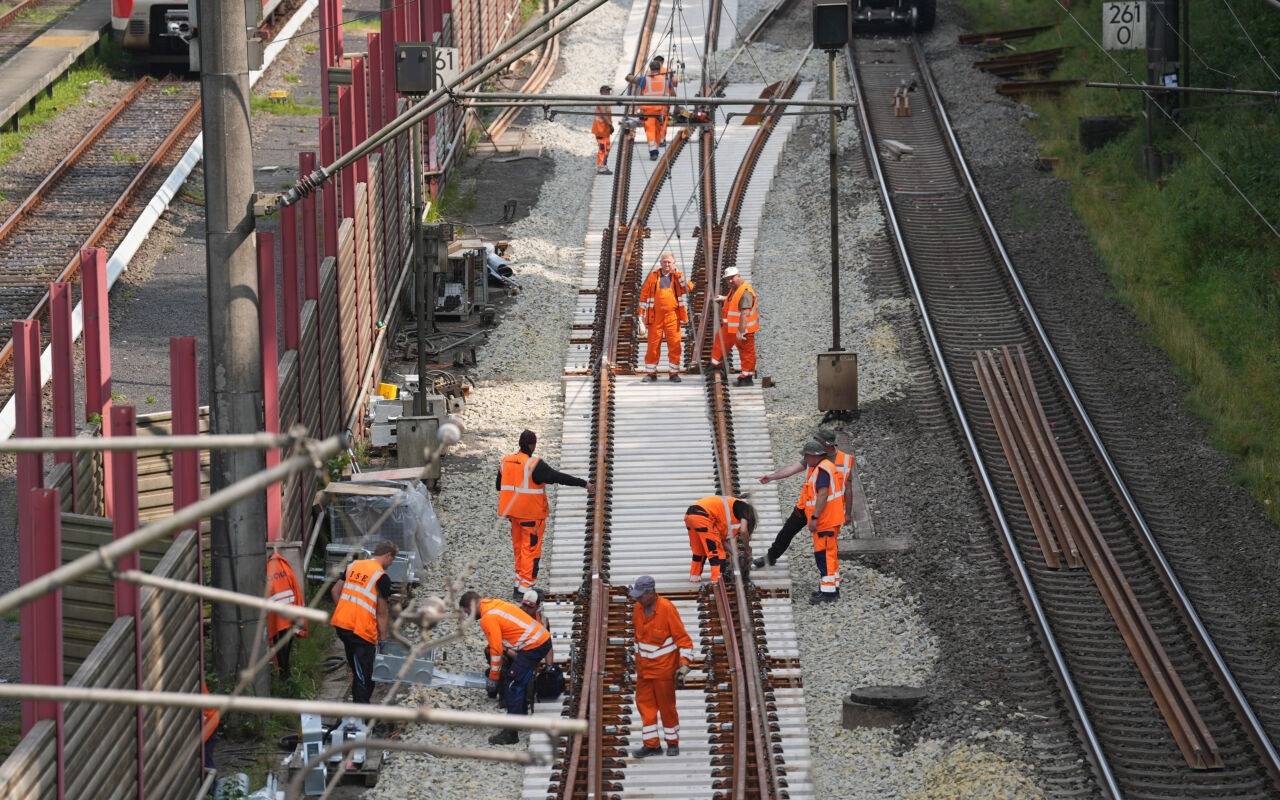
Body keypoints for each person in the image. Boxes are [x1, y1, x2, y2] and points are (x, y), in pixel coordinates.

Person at [496, 430, 592, 597]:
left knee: (519, 549)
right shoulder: (534, 464)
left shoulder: (505, 461)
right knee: (530, 551)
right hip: (531, 517)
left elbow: (499, 486)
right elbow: (557, 477)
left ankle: (518, 584)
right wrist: (583, 484)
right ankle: (525, 589)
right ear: (532, 445)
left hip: (513, 516)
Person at [752, 427, 854, 569]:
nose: (813, 441)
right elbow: (791, 469)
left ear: (825, 443)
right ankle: (771, 557)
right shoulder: (813, 456)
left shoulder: (845, 460)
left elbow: (848, 489)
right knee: (787, 532)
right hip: (806, 506)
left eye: (816, 439)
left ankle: (827, 582)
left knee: (825, 548)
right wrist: (771, 477)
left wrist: (848, 513)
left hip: (826, 512)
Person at [461, 590, 553, 745]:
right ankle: (521, 718)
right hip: (540, 641)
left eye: (467, 611)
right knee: (518, 682)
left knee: (513, 684)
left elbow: (496, 650)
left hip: (533, 646)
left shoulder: (487, 618)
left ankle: (511, 733)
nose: (467, 616)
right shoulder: (494, 602)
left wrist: (493, 678)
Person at [629, 575, 694, 758]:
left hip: (663, 671)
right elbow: (638, 639)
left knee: (667, 708)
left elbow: (683, 639)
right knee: (645, 707)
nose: (638, 599)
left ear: (651, 593)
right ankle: (651, 745)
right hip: (644, 670)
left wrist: (684, 664)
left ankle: (672, 743)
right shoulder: (638, 609)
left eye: (641, 596)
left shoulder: (667, 609)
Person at [330, 541, 397, 704]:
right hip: (361, 632)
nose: (391, 564)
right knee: (364, 677)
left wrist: (345, 610)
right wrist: (383, 639)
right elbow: (382, 613)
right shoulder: (381, 577)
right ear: (388, 555)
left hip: (342, 626)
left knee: (358, 671)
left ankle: (359, 709)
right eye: (392, 560)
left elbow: (335, 591)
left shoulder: (354, 565)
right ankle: (361, 717)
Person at [796, 440, 846, 604]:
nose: (805, 459)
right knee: (830, 554)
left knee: (824, 556)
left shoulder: (822, 470)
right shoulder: (827, 466)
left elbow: (823, 494)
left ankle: (828, 593)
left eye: (806, 456)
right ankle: (832, 587)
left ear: (813, 455)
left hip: (824, 521)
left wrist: (814, 518)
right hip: (830, 519)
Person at [637, 252, 693, 382]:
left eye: (669, 262)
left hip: (672, 317)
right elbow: (643, 296)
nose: (666, 264)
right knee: (653, 345)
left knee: (675, 344)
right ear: (660, 263)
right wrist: (640, 316)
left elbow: (689, 287)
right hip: (655, 317)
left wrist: (679, 274)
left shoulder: (677, 276)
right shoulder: (652, 276)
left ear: (673, 263)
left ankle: (673, 373)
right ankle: (651, 373)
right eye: (664, 262)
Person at [684, 494, 756, 583]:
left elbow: (721, 541)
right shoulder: (745, 508)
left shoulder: (726, 510)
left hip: (690, 516)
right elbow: (744, 530)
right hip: (703, 516)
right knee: (717, 552)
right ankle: (717, 580)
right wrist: (747, 547)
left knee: (699, 550)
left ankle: (694, 576)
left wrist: (736, 554)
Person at [709, 266, 759, 385]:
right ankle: (715, 365)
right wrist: (723, 298)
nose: (730, 281)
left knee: (746, 352)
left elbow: (745, 313)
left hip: (744, 330)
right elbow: (734, 301)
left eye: (732, 278)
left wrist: (741, 331)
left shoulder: (746, 292)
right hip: (731, 327)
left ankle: (746, 378)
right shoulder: (736, 289)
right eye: (728, 279)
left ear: (739, 276)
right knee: (720, 341)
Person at [266, 548, 307, 678]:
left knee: (279, 650)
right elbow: (296, 590)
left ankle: (284, 677)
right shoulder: (284, 565)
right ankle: (286, 676)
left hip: (276, 618)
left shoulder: (267, 569)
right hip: (289, 617)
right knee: (286, 650)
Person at [626, 57, 677, 160]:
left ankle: (653, 151)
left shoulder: (645, 80)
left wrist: (629, 76)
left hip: (648, 111)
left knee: (650, 130)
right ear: (660, 68)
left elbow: (630, 79)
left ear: (650, 68)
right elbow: (673, 94)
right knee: (658, 130)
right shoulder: (666, 80)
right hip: (661, 111)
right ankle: (655, 149)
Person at [520, 589, 556, 666]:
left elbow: (547, 644)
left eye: (530, 607)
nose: (526, 609)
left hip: (532, 651)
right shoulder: (515, 615)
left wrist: (549, 667)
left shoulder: (543, 621)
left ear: (537, 607)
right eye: (524, 605)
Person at [593, 85, 615, 175]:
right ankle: (600, 167)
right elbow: (603, 115)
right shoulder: (601, 102)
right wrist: (610, 125)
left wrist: (609, 126)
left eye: (609, 92)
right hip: (600, 129)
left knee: (607, 148)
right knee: (602, 148)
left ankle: (603, 165)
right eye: (607, 92)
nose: (608, 93)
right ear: (602, 92)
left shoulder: (606, 102)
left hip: (605, 130)